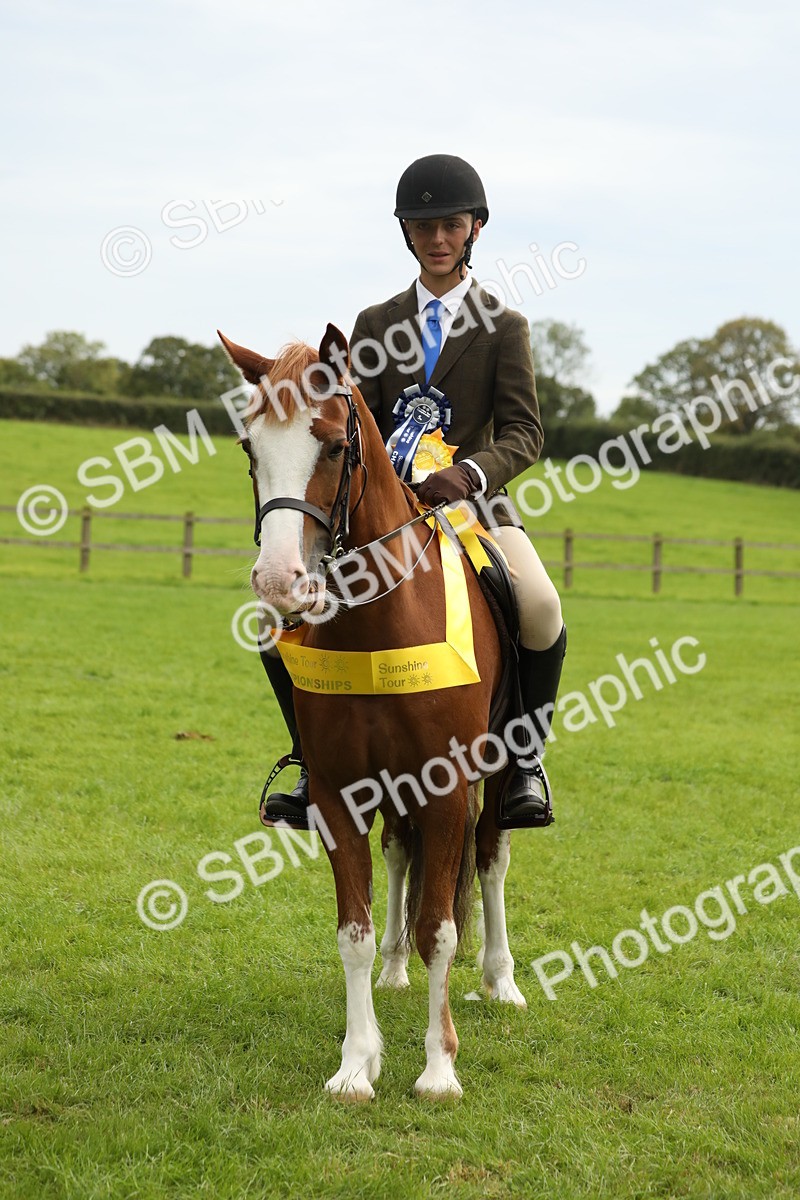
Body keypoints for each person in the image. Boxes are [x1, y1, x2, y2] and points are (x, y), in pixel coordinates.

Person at [261, 153, 566, 829]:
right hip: (379, 513)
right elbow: (348, 420)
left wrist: (468, 473)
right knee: (277, 619)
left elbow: (524, 431)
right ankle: (312, 763)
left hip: (473, 508)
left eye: (450, 225)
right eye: (423, 226)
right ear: (406, 233)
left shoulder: (503, 327)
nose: (437, 239)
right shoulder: (374, 323)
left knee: (541, 607)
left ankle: (524, 764)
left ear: (474, 230)